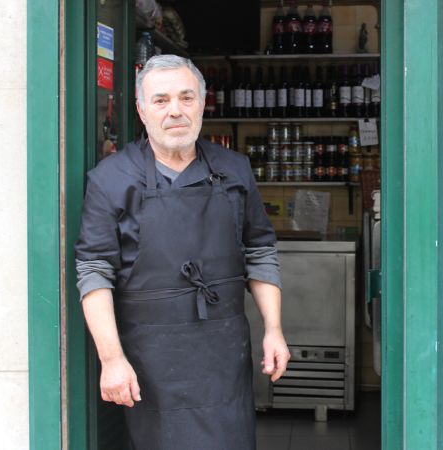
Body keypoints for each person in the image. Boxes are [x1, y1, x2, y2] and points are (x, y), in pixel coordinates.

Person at [75, 54, 289, 449]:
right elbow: (94, 271)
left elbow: (260, 252)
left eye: (186, 98)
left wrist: (273, 329)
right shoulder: (110, 180)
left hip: (224, 352)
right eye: (161, 100)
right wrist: (111, 359)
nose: (175, 110)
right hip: (150, 359)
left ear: (203, 104)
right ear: (141, 110)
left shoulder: (235, 169)